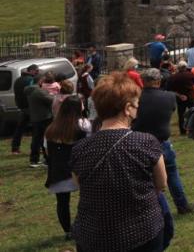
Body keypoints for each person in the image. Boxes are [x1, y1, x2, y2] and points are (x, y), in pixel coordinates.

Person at [71, 72, 168, 252]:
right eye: (136, 105)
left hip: (92, 234)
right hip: (141, 230)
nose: (138, 109)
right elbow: (161, 183)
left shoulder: (79, 148)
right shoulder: (146, 142)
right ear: (127, 108)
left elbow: (79, 184)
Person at [133, 68, 194, 214]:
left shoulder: (136, 98)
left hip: (140, 142)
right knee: (172, 174)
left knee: (146, 178)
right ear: (159, 81)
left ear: (142, 81)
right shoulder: (169, 97)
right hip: (162, 140)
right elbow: (172, 109)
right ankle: (182, 205)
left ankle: (153, 208)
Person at [45, 93, 88, 241]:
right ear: (78, 108)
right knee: (87, 198)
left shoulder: (51, 128)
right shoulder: (83, 125)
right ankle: (83, 226)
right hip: (80, 169)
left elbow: (47, 150)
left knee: (62, 202)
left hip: (59, 170)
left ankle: (68, 231)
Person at [26, 70, 54, 167]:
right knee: (46, 139)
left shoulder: (29, 90)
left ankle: (34, 159)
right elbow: (52, 100)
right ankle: (47, 159)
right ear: (40, 80)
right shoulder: (39, 91)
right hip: (44, 117)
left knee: (36, 139)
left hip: (35, 117)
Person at [9, 63, 37, 157]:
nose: (37, 73)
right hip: (30, 107)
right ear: (31, 71)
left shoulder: (17, 80)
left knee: (20, 128)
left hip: (22, 107)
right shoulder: (31, 80)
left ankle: (15, 148)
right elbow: (32, 93)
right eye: (36, 71)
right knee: (37, 128)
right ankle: (36, 148)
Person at [166, 61, 194, 136]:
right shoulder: (190, 74)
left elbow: (168, 88)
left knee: (181, 115)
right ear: (185, 67)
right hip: (190, 96)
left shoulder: (173, 77)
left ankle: (182, 131)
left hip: (180, 98)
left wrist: (179, 95)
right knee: (193, 113)